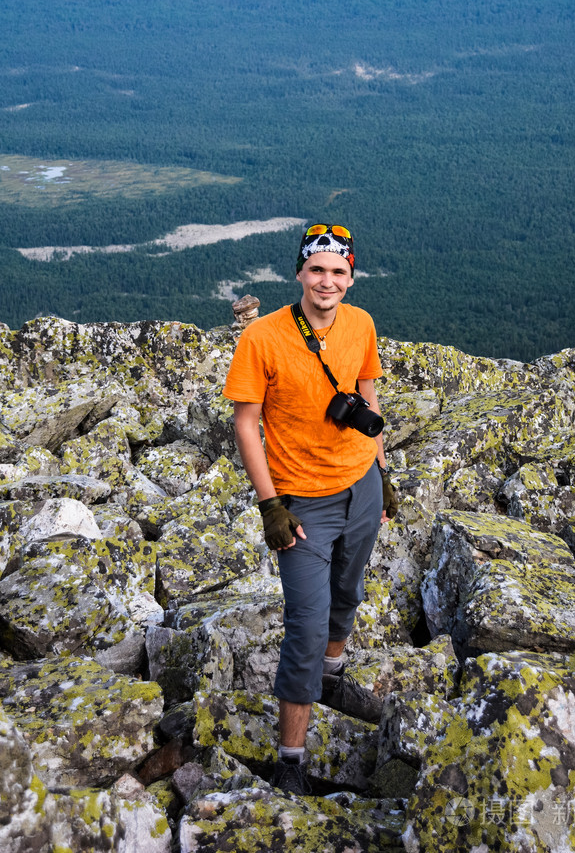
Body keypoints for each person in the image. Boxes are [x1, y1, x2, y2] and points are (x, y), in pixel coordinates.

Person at [223, 223, 398, 797]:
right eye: (316, 269)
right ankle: (291, 760)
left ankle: (334, 677)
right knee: (304, 625)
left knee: (348, 593)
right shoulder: (263, 338)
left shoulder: (362, 323)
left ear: (351, 277)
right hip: (302, 505)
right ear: (299, 272)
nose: (327, 281)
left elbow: (366, 396)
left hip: (361, 487)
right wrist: (270, 503)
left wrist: (382, 471)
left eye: (338, 271)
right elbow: (246, 424)